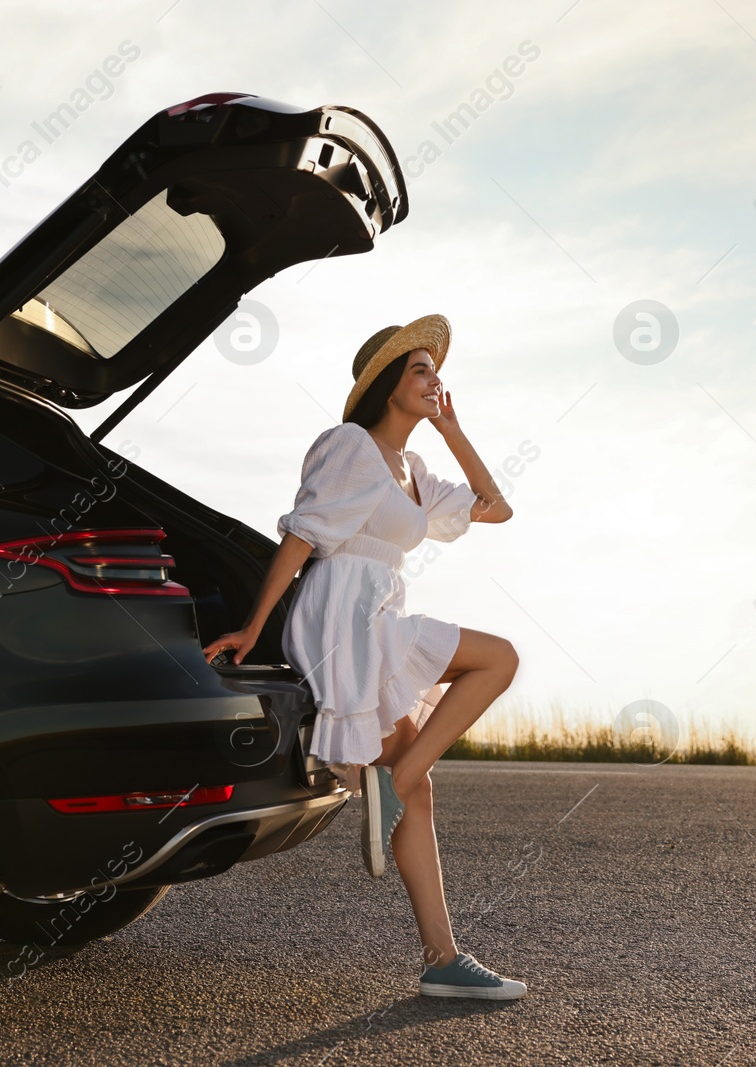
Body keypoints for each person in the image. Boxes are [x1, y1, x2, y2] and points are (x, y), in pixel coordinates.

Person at [201, 313, 528, 1000]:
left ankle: (443, 956)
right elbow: (301, 536)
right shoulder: (349, 444)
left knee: (418, 786)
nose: (431, 380)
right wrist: (257, 626)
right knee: (497, 659)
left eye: (435, 373)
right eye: (418, 370)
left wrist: (450, 428)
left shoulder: (415, 470)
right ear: (384, 383)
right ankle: (392, 788)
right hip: (340, 613)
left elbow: (495, 507)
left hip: (380, 609)